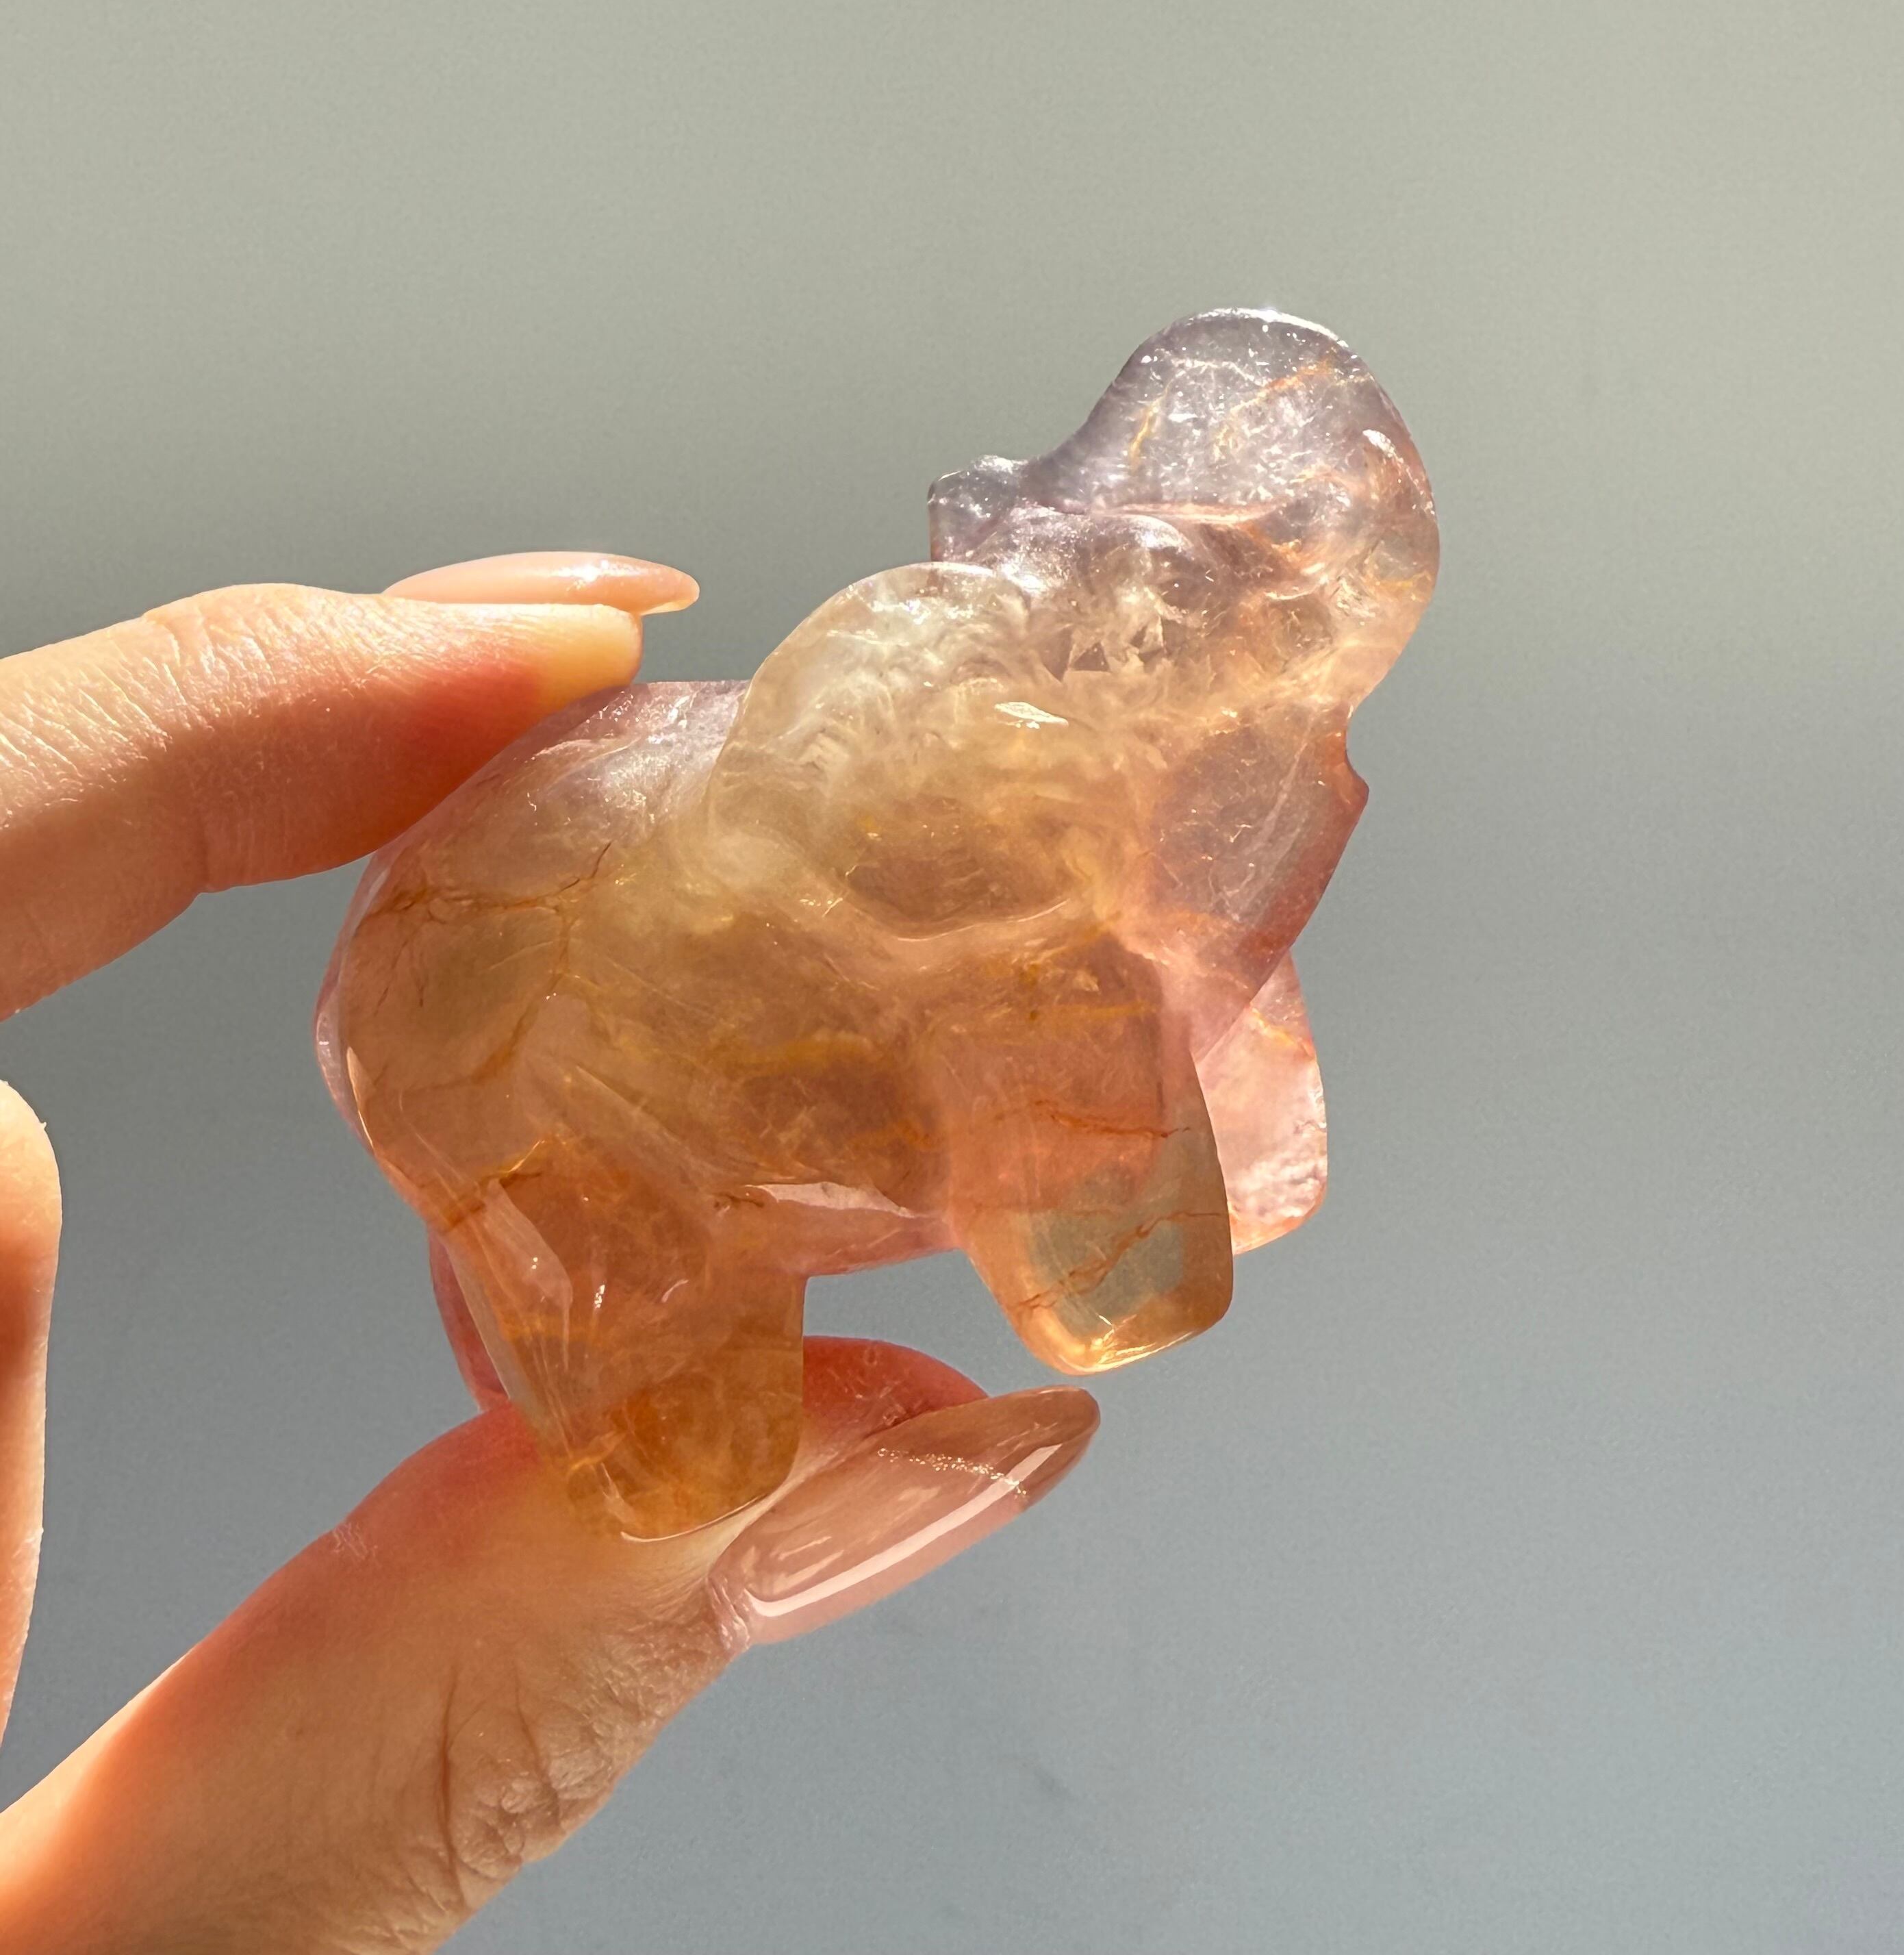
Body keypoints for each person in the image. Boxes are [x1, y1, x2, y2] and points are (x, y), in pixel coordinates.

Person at [0, 556, 1089, 1950]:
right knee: (676, 1438)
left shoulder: (1022, 886)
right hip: (560, 1064)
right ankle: (636, 1374)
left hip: (572, 1028)